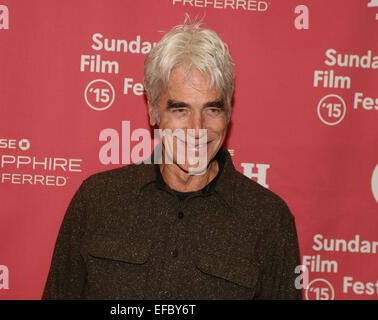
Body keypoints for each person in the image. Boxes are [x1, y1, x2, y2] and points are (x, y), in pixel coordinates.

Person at [42, 19, 302, 300]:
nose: (197, 128)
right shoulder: (98, 199)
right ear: (153, 111)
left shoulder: (268, 219)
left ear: (228, 112)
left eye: (212, 109)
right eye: (181, 110)